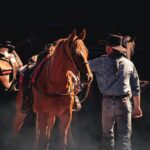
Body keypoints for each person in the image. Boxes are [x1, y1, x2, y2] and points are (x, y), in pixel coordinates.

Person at [89, 33, 143, 150]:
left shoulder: (99, 62)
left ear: (109, 48)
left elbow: (83, 68)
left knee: (107, 136)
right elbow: (136, 87)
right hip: (124, 103)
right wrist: (137, 107)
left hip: (108, 103)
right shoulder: (130, 64)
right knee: (124, 137)